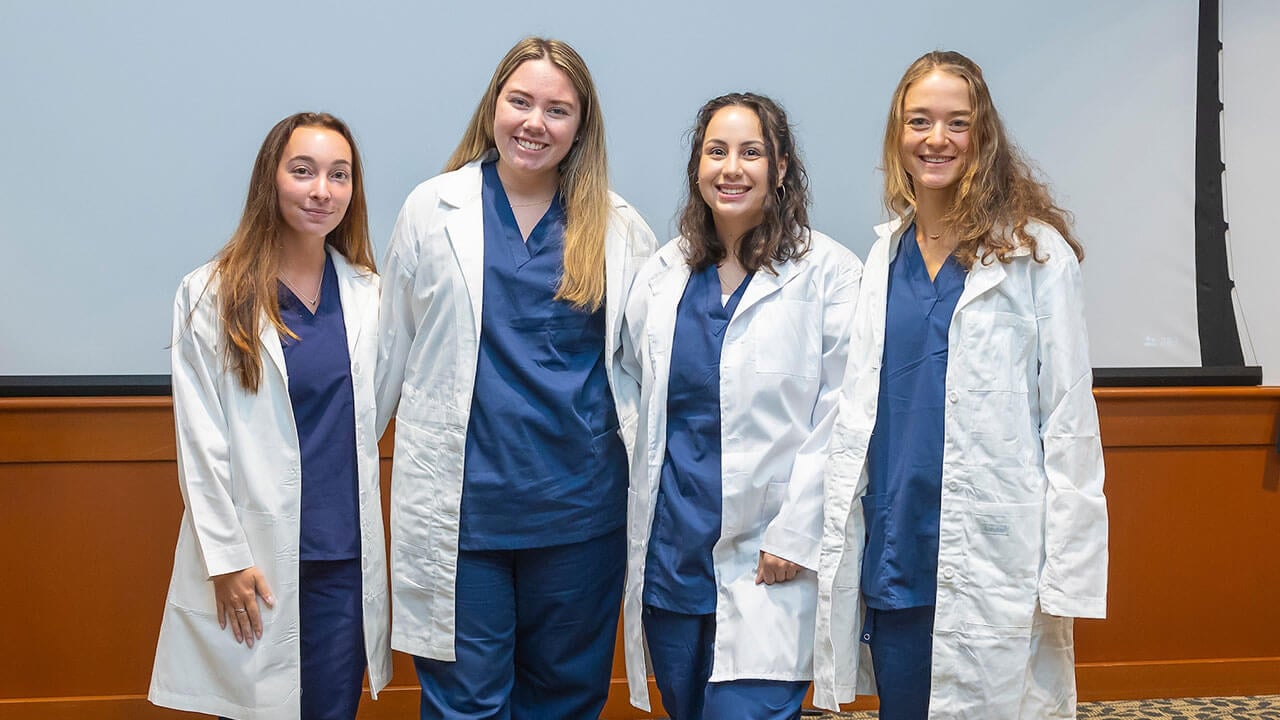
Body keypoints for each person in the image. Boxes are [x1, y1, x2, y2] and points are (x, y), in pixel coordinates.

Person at [813, 51, 1109, 719]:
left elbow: (1067, 416)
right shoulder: (882, 258)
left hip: (993, 551)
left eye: (957, 122)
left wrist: (1066, 567)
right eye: (919, 121)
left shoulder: (1034, 255)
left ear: (984, 136)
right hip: (898, 546)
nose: (936, 139)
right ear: (898, 136)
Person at [376, 37, 658, 719]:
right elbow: (388, 356)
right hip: (466, 521)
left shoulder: (618, 229)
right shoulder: (431, 210)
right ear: (493, 106)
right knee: (466, 705)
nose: (535, 122)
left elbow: (650, 373)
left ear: (580, 126)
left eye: (557, 110)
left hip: (579, 519)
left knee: (564, 702)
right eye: (521, 102)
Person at [620, 93, 860, 720]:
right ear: (697, 166)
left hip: (771, 557)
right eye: (716, 151)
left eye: (751, 152)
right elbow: (629, 385)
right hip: (675, 555)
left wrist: (797, 532)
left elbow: (842, 413)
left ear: (781, 167)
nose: (732, 168)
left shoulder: (829, 273)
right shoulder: (663, 273)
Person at [149, 112, 392, 720]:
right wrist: (225, 559)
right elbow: (200, 443)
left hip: (344, 557)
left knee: (332, 708)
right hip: (256, 557)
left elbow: (380, 412)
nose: (322, 190)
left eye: (340, 176)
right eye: (303, 171)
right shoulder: (210, 293)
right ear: (270, 179)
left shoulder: (372, 293)